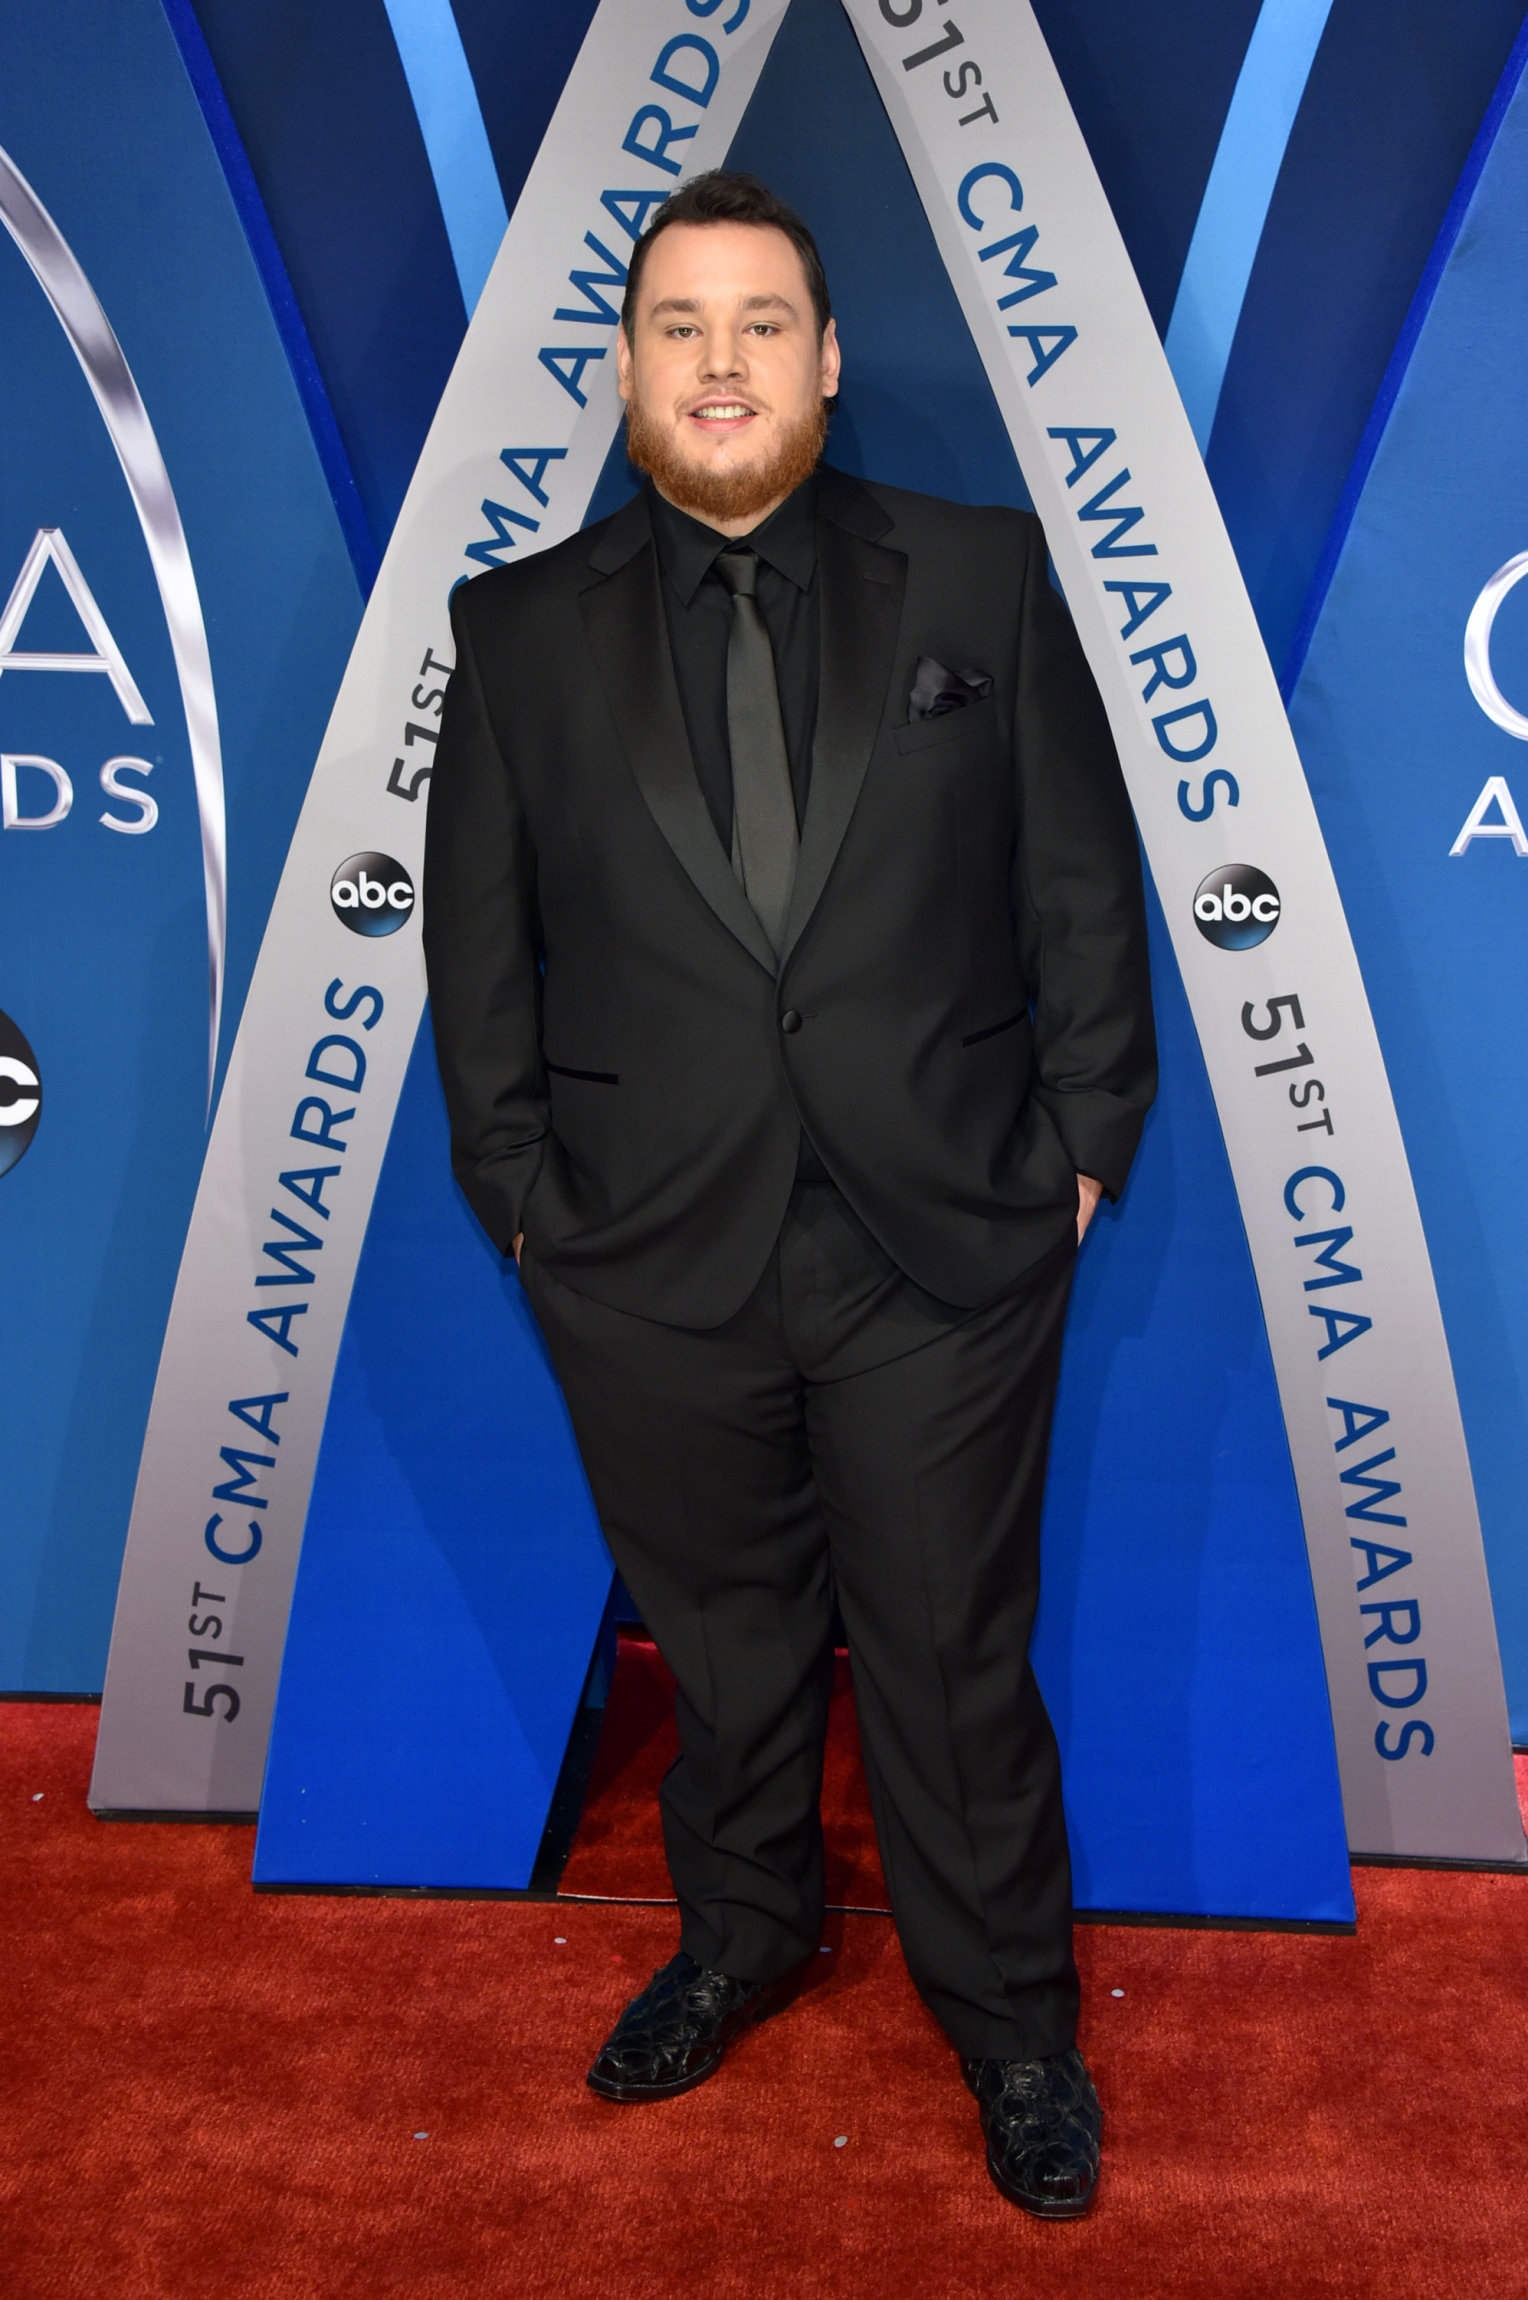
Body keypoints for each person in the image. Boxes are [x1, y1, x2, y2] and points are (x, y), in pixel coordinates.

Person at [422, 170, 1155, 2221]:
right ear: (628, 364)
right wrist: (522, 1203)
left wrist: (1079, 1150)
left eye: (761, 323)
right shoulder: (516, 628)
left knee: (946, 1654)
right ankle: (740, 1933)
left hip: (939, 1244)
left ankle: (1011, 2023)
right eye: (679, 324)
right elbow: (472, 954)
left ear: (826, 361)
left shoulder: (980, 581)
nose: (720, 361)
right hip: (646, 1255)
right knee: (726, 1648)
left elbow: (1079, 889)